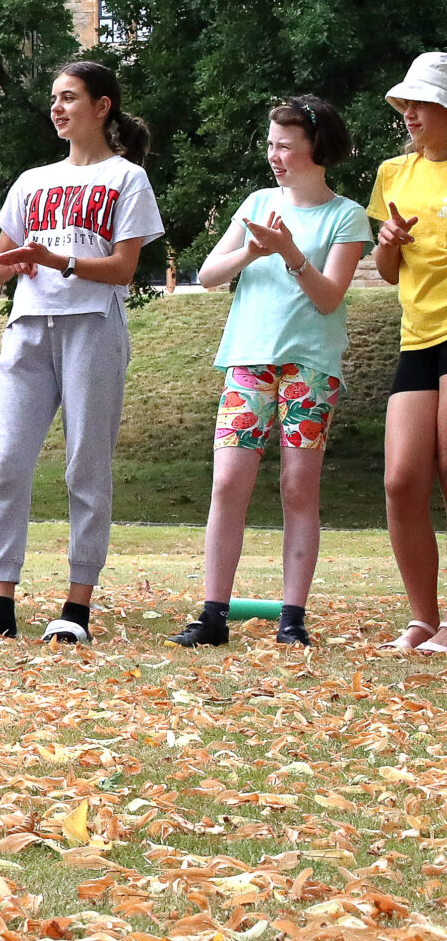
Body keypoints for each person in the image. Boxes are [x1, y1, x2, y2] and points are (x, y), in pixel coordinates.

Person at [0, 61, 165, 644]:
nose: (57, 108)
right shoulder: (32, 180)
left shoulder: (126, 178)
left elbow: (124, 268)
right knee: (6, 463)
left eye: (69, 97)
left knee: (85, 467)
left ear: (102, 107)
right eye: (54, 98)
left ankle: (76, 608)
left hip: (92, 326)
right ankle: (0, 606)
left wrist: (59, 260)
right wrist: (15, 264)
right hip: (28, 326)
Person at [173, 97, 367, 649]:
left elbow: (329, 298)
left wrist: (289, 253)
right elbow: (208, 274)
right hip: (248, 360)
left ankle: (292, 619)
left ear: (316, 147)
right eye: (270, 144)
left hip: (311, 367)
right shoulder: (258, 202)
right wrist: (252, 253)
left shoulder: (346, 215)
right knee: (228, 482)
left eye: (285, 145)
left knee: (298, 486)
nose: (274, 156)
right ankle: (213, 614)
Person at [368, 53, 447, 652]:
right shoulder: (393, 173)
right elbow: (388, 272)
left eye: (422, 103)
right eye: (406, 104)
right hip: (417, 336)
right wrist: (389, 240)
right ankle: (424, 619)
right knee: (400, 480)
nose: (410, 113)